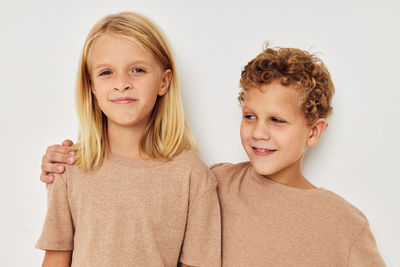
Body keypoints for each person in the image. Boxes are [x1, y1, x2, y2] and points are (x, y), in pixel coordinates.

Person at [40, 45, 385, 266]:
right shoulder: (213, 181)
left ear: (313, 131)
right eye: (250, 116)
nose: (259, 132)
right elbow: (138, 193)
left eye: (277, 120)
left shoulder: (344, 225)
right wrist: (63, 163)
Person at [36, 12, 221, 267]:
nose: (121, 83)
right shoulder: (69, 168)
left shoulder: (191, 175)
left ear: (164, 82)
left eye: (137, 70)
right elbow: (56, 259)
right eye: (106, 72)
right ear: (91, 85)